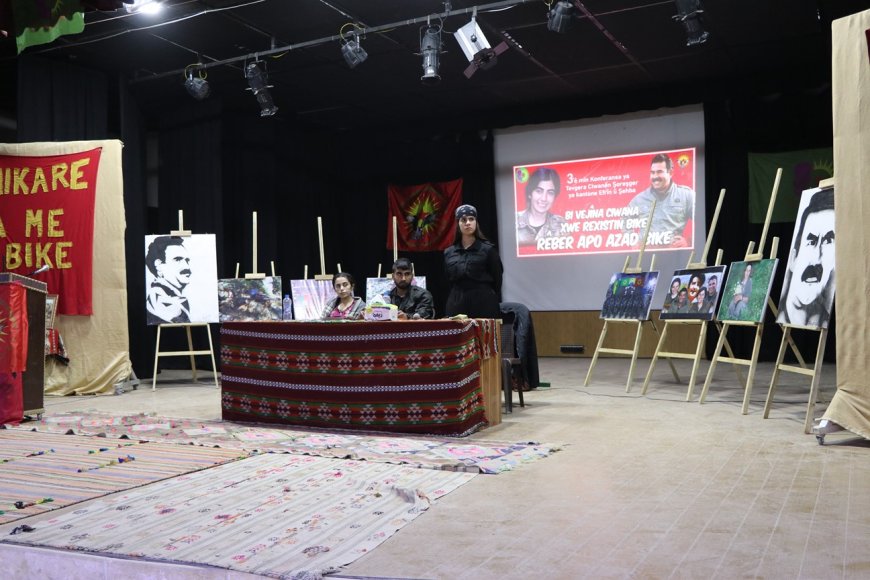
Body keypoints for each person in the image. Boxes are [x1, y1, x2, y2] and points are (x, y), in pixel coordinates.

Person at [779, 188, 835, 327]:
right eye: (811, 242)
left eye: (828, 241)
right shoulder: (781, 316)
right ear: (793, 258)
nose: (817, 258)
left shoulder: (826, 321)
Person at [444, 204, 503, 319]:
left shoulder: (488, 250)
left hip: (484, 302)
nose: (468, 223)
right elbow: (448, 281)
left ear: (476, 222)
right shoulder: (449, 252)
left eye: (471, 219)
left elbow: (497, 279)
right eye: (463, 220)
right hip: (457, 303)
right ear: (458, 224)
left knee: (483, 331)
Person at [627, 153, 695, 247]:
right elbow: (624, 220)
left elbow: (702, 220)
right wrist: (633, 241)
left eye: (659, 172)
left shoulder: (686, 195)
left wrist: (689, 241)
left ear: (670, 173)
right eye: (652, 172)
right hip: (645, 254)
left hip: (674, 253)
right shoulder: (639, 199)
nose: (655, 176)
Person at [145, 236, 192, 324]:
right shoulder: (159, 300)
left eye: (187, 260)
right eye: (178, 259)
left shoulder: (172, 297)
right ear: (159, 266)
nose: (187, 267)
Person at [516, 167, 566, 246]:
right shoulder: (514, 221)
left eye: (550, 192)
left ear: (554, 197)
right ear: (530, 194)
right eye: (539, 191)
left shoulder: (561, 224)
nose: (544, 198)